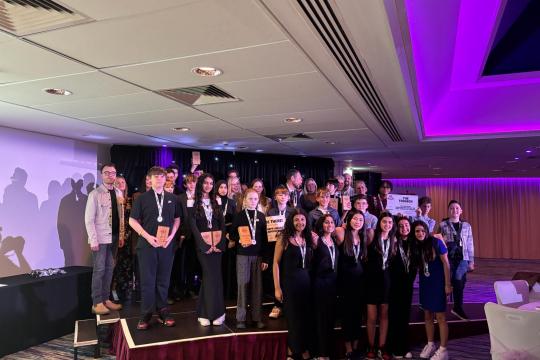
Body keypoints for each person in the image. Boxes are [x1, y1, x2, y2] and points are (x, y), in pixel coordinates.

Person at [129, 166, 181, 330]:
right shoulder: (142, 198)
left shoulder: (173, 198)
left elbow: (177, 219)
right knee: (147, 281)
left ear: (166, 179)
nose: (159, 179)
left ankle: (163, 310)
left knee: (163, 281)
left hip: (166, 245)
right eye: (155, 177)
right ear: (149, 180)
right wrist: (147, 237)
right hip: (147, 245)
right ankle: (145, 314)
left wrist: (172, 236)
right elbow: (132, 221)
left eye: (161, 177)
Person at [273, 209, 314, 360]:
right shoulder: (283, 237)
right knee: (293, 319)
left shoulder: (307, 238)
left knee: (304, 319)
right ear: (291, 221)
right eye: (296, 220)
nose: (300, 223)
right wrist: (277, 288)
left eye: (302, 220)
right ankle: (295, 353)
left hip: (306, 284)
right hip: (290, 284)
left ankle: (296, 351)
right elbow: (276, 264)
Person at [85, 163, 124, 315]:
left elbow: (121, 217)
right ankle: (97, 302)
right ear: (102, 175)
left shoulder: (119, 192)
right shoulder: (95, 194)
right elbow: (89, 219)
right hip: (100, 238)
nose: (110, 175)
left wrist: (121, 236)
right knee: (99, 270)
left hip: (114, 237)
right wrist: (93, 240)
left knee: (109, 269)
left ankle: (106, 299)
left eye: (113, 173)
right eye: (107, 173)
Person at [189, 174, 227, 326]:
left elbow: (222, 224)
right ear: (201, 184)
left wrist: (220, 244)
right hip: (202, 247)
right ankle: (207, 312)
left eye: (211, 183)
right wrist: (204, 245)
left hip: (217, 246)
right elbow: (193, 225)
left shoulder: (216, 200)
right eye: (206, 183)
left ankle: (216, 312)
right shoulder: (192, 201)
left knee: (215, 277)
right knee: (209, 276)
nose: (208, 186)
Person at [230, 188, 269, 329]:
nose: (253, 201)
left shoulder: (262, 216)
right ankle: (241, 318)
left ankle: (256, 318)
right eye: (250, 199)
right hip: (242, 255)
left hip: (258, 256)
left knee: (257, 288)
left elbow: (265, 240)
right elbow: (232, 235)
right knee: (242, 286)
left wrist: (265, 259)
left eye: (255, 199)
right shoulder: (239, 216)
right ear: (245, 200)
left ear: (258, 200)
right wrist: (240, 240)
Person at [413, 221, 452, 360]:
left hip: (439, 283)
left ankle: (443, 350)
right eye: (417, 231)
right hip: (425, 284)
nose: (420, 233)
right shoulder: (417, 245)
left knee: (440, 317)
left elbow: (446, 264)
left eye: (422, 231)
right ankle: (431, 344)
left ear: (427, 230)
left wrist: (448, 284)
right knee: (427, 315)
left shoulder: (436, 242)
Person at [434, 200, 474, 320]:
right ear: (448, 210)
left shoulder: (467, 225)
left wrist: (471, 261)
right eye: (452, 208)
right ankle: (439, 309)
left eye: (457, 208)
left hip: (463, 258)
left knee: (459, 281)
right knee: (445, 283)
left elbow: (470, 243)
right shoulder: (442, 225)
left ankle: (458, 307)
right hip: (447, 257)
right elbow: (436, 241)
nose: (454, 210)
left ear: (461, 211)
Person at [334, 210, 367, 359]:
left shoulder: (362, 236)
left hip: (360, 283)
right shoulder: (341, 232)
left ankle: (355, 346)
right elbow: (331, 230)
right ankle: (348, 348)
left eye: (361, 219)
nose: (358, 222)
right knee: (347, 316)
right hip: (345, 282)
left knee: (357, 316)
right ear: (349, 220)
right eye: (355, 219)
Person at [364, 212, 396, 359]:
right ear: (379, 223)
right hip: (371, 280)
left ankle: (382, 347)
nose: (387, 225)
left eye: (390, 222)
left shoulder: (393, 239)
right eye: (385, 222)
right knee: (371, 317)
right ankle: (371, 346)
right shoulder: (371, 234)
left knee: (384, 315)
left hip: (386, 281)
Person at [388, 217, 416, 358]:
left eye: (406, 225)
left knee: (405, 317)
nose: (404, 228)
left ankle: (404, 347)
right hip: (394, 285)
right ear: (396, 228)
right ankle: (394, 347)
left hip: (408, 285)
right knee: (394, 316)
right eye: (400, 226)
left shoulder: (414, 242)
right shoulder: (393, 242)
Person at [311, 214, 339, 360]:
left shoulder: (334, 240)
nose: (329, 224)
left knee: (330, 319)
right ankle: (320, 353)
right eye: (326, 222)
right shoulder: (316, 240)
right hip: (320, 283)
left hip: (332, 284)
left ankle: (327, 351)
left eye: (331, 222)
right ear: (321, 225)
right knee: (321, 319)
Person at [266, 185, 294, 319]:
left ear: (288, 197)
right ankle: (277, 304)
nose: (282, 197)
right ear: (275, 197)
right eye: (279, 194)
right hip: (274, 246)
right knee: (275, 274)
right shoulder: (271, 212)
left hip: (289, 247)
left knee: (287, 275)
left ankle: (288, 304)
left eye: (285, 194)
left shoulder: (293, 211)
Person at [111, 176, 133, 302]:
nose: (120, 184)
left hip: (130, 238)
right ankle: (114, 290)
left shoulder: (130, 200)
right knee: (116, 265)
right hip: (116, 237)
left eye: (123, 182)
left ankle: (126, 290)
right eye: (117, 182)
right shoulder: (113, 200)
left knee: (128, 265)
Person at [216, 179, 237, 299]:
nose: (223, 190)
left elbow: (235, 221)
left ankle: (229, 292)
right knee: (218, 265)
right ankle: (218, 291)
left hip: (229, 235)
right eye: (220, 187)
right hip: (217, 235)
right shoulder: (213, 202)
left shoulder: (232, 202)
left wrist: (232, 238)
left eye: (225, 187)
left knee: (229, 264)